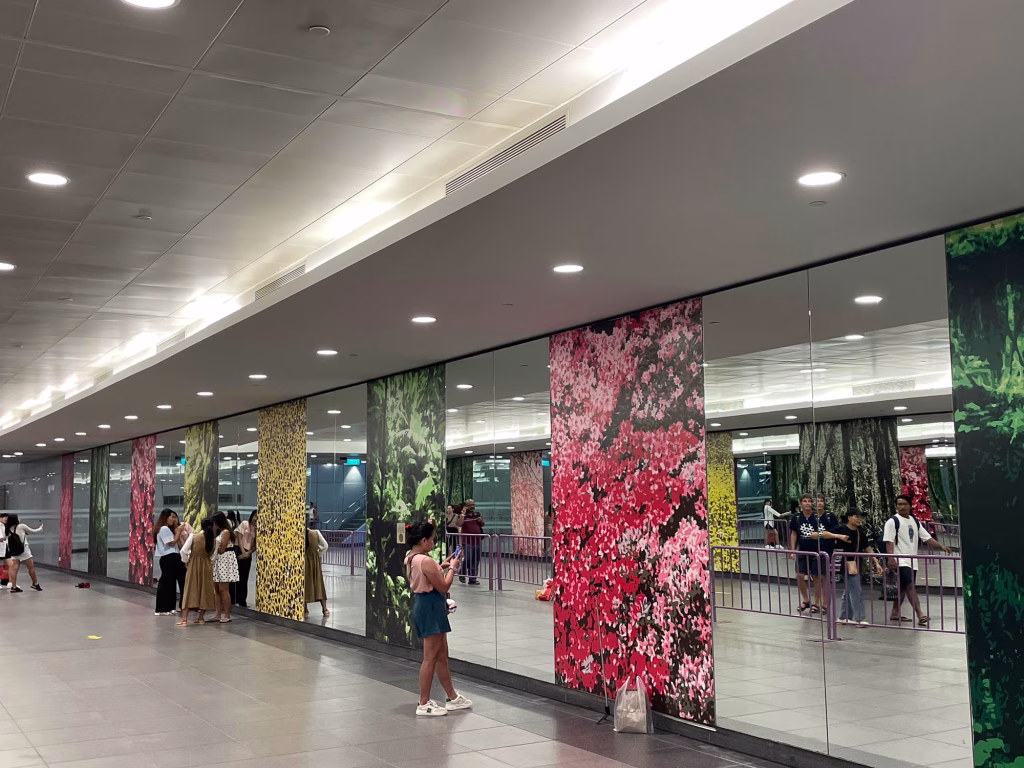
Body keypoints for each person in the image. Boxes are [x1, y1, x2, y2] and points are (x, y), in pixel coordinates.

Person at [404, 520, 472, 716]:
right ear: (423, 540)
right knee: (430, 658)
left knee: (441, 655)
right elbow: (443, 586)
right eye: (432, 539)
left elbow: (428, 574)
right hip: (430, 608)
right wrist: (453, 567)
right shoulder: (425, 561)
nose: (433, 543)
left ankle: (452, 696)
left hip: (428, 606)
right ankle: (423, 703)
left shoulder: (412, 558)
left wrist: (441, 565)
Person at [884, 494, 951, 626]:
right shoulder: (892, 521)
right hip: (901, 560)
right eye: (899, 504)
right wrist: (891, 558)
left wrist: (941, 546)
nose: (901, 507)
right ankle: (920, 614)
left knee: (903, 588)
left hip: (912, 560)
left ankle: (895, 612)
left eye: (904, 504)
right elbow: (889, 541)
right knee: (910, 586)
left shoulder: (914, 521)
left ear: (910, 505)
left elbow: (926, 537)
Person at [789, 495, 848, 614]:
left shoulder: (818, 517)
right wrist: (792, 550)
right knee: (799, 575)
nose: (807, 503)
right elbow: (794, 533)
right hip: (803, 550)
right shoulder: (797, 517)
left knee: (817, 577)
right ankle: (806, 599)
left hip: (819, 550)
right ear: (800, 504)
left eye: (809, 501)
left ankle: (819, 602)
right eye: (804, 501)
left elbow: (830, 532)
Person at [829, 507, 877, 625]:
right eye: (857, 516)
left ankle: (843, 616)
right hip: (844, 564)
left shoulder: (860, 532)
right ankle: (859, 618)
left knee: (849, 590)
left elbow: (867, 548)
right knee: (856, 591)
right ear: (849, 517)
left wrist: (876, 562)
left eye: (861, 517)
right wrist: (838, 537)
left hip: (855, 564)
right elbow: (824, 534)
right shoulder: (841, 529)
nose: (859, 519)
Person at [178, 519, 216, 626]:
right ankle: (201, 618)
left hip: (194, 564)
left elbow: (183, 551)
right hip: (207, 565)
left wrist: (186, 561)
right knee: (204, 590)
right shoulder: (213, 540)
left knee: (189, 589)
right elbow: (214, 556)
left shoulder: (194, 536)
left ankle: (184, 619)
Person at [153, 509, 188, 615]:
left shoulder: (165, 529)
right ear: (165, 517)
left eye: (174, 517)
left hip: (171, 557)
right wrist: (178, 532)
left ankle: (170, 607)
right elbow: (172, 543)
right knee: (166, 582)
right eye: (171, 517)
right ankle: (162, 608)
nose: (173, 520)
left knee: (171, 583)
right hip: (168, 557)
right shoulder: (164, 529)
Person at [3, 514, 43, 593]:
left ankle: (14, 587)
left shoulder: (7, 529)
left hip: (13, 551)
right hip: (24, 551)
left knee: (14, 568)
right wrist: (40, 528)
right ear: (16, 519)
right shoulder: (21, 526)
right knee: (31, 567)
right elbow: (34, 531)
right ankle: (35, 584)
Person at [211, 513, 239, 623]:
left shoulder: (226, 532)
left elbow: (222, 549)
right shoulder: (220, 532)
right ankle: (218, 614)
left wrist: (214, 547)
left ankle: (227, 614)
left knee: (224, 589)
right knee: (217, 589)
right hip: (219, 560)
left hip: (225, 560)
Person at [304, 527, 330, 617]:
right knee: (318, 583)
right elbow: (325, 545)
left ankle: (305, 609)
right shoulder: (315, 533)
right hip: (314, 562)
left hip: (302, 562)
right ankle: (324, 609)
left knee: (305, 585)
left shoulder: (297, 534)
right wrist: (317, 554)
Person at [234, 510, 256, 608]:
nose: (256, 519)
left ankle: (242, 600)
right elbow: (239, 537)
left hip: (248, 553)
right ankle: (235, 599)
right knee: (236, 576)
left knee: (244, 577)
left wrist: (248, 553)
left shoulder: (257, 529)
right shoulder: (244, 524)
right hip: (239, 549)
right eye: (255, 516)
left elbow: (256, 545)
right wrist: (242, 551)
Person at [459, 500, 484, 585]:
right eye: (470, 505)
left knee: (475, 560)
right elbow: (459, 524)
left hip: (477, 541)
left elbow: (483, 524)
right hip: (467, 541)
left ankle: (472, 579)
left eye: (473, 504)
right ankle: (462, 572)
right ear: (466, 506)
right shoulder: (463, 515)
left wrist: (481, 520)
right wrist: (462, 515)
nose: (472, 506)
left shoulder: (477, 514)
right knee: (468, 558)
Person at [0, 512, 8, 589]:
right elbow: (1, 538)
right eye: (4, 517)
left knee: (4, 565)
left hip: (4, 548)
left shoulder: (4, 526)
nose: (6, 519)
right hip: (1, 548)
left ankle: (5, 581)